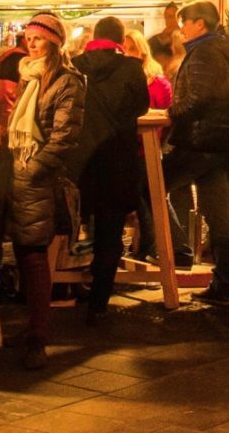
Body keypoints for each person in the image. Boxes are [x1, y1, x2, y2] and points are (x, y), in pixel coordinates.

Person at [5, 11, 85, 368]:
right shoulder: (29, 76)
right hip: (17, 172)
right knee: (23, 254)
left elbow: (64, 136)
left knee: (35, 255)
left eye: (37, 38)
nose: (30, 43)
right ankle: (30, 329)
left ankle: (38, 337)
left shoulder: (67, 81)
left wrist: (34, 168)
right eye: (27, 36)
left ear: (53, 42)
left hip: (37, 178)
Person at [70, 16, 151, 324]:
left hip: (80, 162)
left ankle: (65, 287)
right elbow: (141, 107)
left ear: (94, 37)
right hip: (117, 160)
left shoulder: (76, 65)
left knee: (73, 225)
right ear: (119, 40)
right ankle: (99, 302)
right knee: (110, 233)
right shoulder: (131, 68)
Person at [165, 0, 229, 306]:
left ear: (201, 24)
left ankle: (178, 252)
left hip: (197, 142)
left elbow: (196, 97)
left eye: (185, 21)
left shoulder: (205, 52)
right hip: (218, 143)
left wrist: (172, 112)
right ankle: (223, 284)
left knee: (147, 188)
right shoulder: (223, 50)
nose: (181, 27)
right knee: (219, 216)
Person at [123, 29, 174, 109]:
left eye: (132, 49)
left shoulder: (159, 83)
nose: (127, 54)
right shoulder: (118, 81)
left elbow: (167, 117)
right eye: (123, 50)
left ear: (142, 53)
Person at [149, 1, 185, 79]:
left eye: (171, 17)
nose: (168, 20)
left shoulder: (185, 38)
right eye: (166, 17)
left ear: (178, 18)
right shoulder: (154, 41)